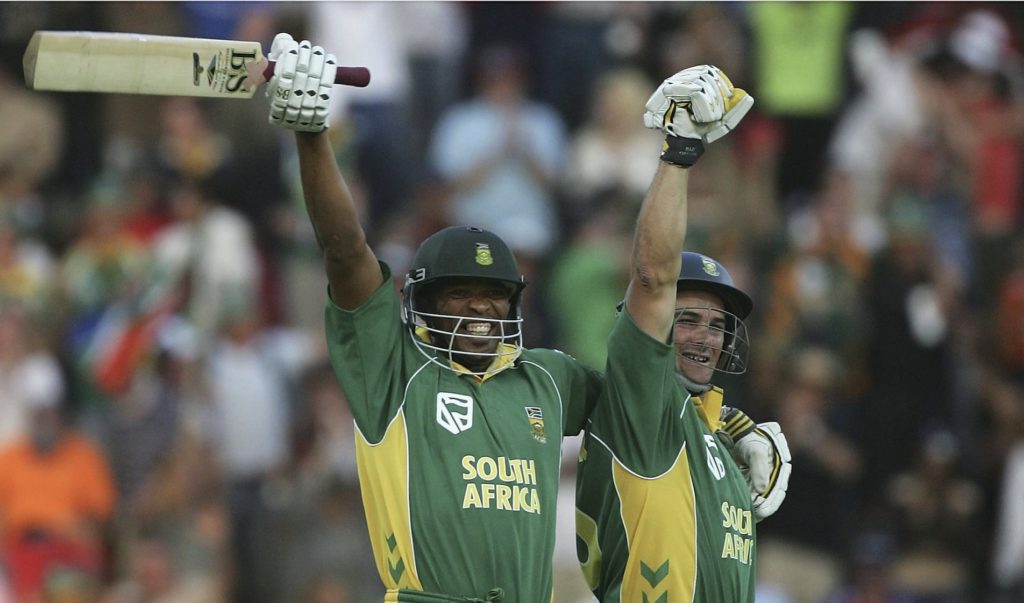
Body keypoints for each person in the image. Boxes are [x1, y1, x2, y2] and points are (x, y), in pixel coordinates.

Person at [262, 34, 603, 601]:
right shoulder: (391, 367)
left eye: (494, 294)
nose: (479, 306)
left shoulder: (548, 376)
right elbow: (346, 251)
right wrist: (314, 135)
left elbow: (642, 407)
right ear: (419, 304)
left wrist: (720, 439)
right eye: (459, 292)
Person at [575, 65, 791, 602]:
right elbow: (652, 275)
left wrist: (738, 427)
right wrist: (679, 152)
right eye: (687, 318)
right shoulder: (641, 404)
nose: (706, 336)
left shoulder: (713, 434)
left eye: (718, 324)